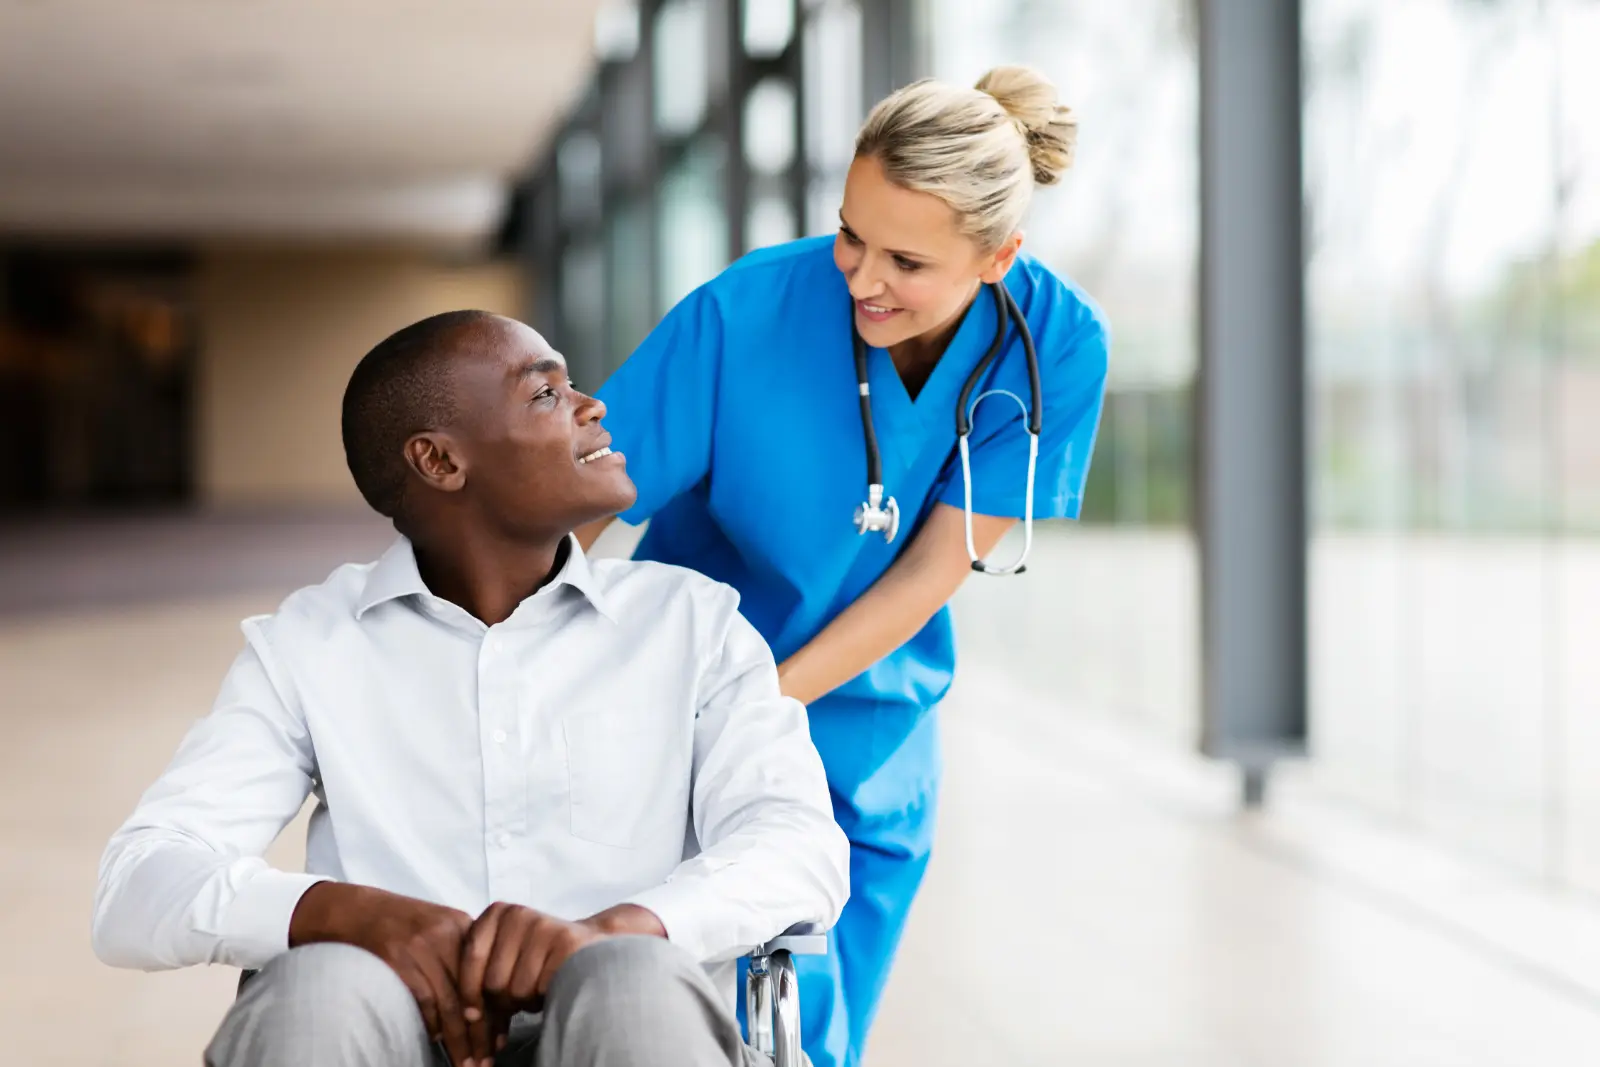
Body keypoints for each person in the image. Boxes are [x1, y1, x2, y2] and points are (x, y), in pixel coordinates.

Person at [91, 310, 850, 1067]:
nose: (593, 406)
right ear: (441, 462)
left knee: (630, 979)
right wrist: (341, 912)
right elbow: (137, 884)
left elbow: (800, 846)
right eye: (545, 394)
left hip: (632, 1032)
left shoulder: (692, 621)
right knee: (316, 986)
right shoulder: (310, 642)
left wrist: (619, 930)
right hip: (389, 1035)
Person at [577, 66, 1110, 1067]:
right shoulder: (745, 314)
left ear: (999, 257)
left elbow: (925, 575)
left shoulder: (1058, 343)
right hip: (682, 706)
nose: (861, 277)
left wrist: (764, 704)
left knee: (813, 1038)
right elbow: (571, 508)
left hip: (867, 720)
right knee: (678, 1017)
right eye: (849, 233)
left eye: (906, 260)